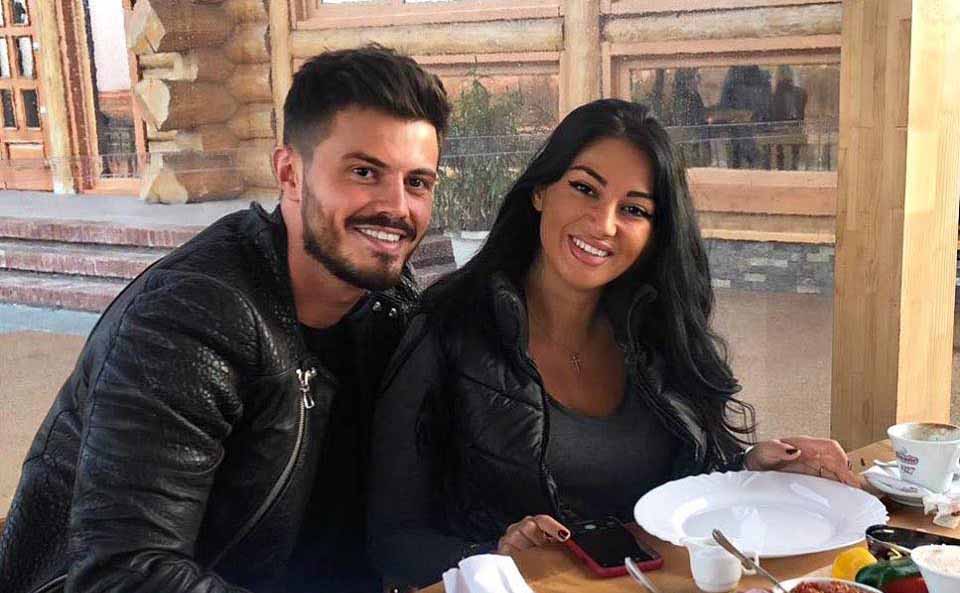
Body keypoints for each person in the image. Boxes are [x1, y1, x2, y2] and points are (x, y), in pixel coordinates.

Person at [0, 46, 450, 593]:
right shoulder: (189, 320)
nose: (396, 207)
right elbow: (124, 575)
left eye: (417, 182)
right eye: (364, 172)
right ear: (289, 173)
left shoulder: (389, 308)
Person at [367, 99, 859, 588]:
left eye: (633, 209)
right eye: (584, 188)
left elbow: (684, 492)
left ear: (654, 232)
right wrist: (493, 554)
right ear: (540, 191)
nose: (603, 224)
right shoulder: (447, 329)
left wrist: (752, 466)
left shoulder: (659, 331)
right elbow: (393, 539)